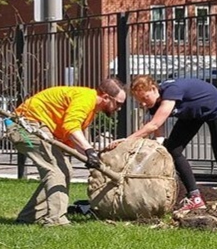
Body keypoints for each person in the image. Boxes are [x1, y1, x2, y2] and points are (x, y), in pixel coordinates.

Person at [8, 79, 128, 226]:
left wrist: (89, 157)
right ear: (105, 97)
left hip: (37, 127)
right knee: (55, 170)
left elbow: (70, 137)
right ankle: (56, 220)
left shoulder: (89, 107)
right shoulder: (86, 98)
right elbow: (70, 126)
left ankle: (29, 217)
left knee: (65, 171)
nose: (120, 108)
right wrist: (89, 150)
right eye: (119, 104)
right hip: (26, 127)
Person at [118, 74, 217, 212]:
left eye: (145, 98)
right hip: (192, 115)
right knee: (173, 150)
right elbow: (158, 129)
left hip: (214, 107)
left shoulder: (171, 91)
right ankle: (195, 198)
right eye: (139, 102)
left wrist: (127, 140)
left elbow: (154, 125)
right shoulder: (153, 102)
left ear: (154, 89)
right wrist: (160, 143)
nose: (143, 104)